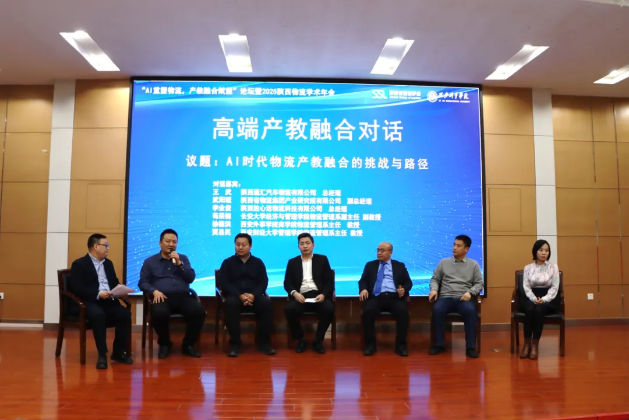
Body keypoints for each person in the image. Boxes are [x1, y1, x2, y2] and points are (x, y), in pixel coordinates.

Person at [138, 228, 206, 359]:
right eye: (168, 241)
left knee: (199, 312)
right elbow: (142, 282)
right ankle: (165, 343)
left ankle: (188, 345)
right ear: (160, 243)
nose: (171, 244)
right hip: (162, 297)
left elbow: (190, 278)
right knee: (159, 313)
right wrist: (154, 291)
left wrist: (180, 264)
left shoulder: (183, 258)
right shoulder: (150, 262)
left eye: (174, 242)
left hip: (183, 297)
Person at [69, 233, 132, 369]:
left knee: (124, 314)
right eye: (106, 245)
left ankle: (118, 352)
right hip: (90, 301)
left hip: (108, 300)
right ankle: (102, 354)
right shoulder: (79, 264)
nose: (108, 248)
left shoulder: (108, 264)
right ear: (96, 246)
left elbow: (114, 282)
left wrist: (121, 292)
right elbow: (77, 288)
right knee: (98, 315)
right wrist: (98, 294)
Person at [219, 233, 275, 357]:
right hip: (235, 296)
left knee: (266, 303)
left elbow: (263, 282)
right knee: (230, 303)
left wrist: (253, 295)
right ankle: (235, 344)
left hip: (254, 296)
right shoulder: (227, 263)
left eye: (243, 245)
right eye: (237, 244)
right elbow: (224, 283)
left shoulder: (258, 262)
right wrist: (239, 295)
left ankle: (264, 343)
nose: (240, 247)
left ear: (250, 246)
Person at [429, 234, 483, 358]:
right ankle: (439, 345)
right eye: (454, 245)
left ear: (466, 249)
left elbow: (479, 283)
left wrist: (470, 293)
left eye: (458, 246)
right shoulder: (444, 262)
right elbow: (435, 279)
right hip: (445, 297)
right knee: (437, 310)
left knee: (471, 311)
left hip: (463, 298)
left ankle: (470, 347)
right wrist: (434, 290)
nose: (454, 248)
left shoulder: (473, 264)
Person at [283, 233, 335, 354]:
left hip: (318, 296)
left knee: (329, 309)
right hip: (300, 296)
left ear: (313, 245)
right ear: (298, 247)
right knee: (289, 309)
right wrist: (295, 293)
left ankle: (318, 340)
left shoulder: (322, 259)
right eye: (302, 244)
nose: (305, 246)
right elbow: (287, 283)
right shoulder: (292, 262)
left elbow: (329, 281)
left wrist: (323, 294)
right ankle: (300, 339)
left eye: (307, 243)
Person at [359, 242, 413, 357]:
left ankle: (401, 346)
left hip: (395, 297)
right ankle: (370, 345)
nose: (379, 253)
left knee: (403, 313)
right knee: (367, 312)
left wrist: (404, 289)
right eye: (378, 250)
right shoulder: (370, 265)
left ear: (390, 252)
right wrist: (363, 289)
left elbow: (408, 283)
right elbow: (363, 281)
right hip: (376, 297)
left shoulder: (399, 266)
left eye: (382, 250)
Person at [519, 239, 560, 360]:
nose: (544, 253)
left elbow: (555, 287)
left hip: (549, 299)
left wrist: (544, 299)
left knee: (539, 309)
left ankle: (535, 345)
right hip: (530, 297)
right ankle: (526, 345)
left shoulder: (553, 267)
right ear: (535, 251)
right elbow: (526, 286)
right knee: (530, 308)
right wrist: (533, 298)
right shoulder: (528, 268)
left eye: (546, 250)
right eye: (541, 250)